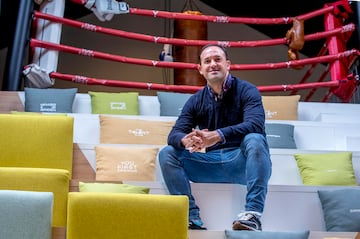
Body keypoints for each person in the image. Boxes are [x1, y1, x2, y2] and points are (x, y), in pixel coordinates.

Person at [158, 44, 272, 231]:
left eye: (218, 59)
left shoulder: (247, 90)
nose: (213, 64)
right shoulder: (196, 100)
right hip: (209, 164)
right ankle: (190, 217)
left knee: (255, 139)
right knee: (168, 153)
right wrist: (185, 140)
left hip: (241, 164)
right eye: (207, 61)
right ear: (200, 69)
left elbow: (255, 125)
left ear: (228, 64)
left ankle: (253, 214)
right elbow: (174, 134)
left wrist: (218, 135)